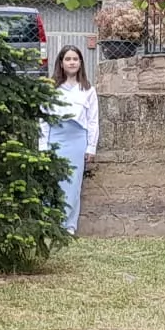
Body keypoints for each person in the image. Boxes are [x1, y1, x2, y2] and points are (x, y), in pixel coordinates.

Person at [46, 44, 99, 237]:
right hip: (56, 138)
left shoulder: (88, 90)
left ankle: (69, 225)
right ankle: (50, 222)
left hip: (77, 139)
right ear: (61, 63)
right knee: (54, 181)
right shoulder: (52, 89)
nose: (71, 62)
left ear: (81, 63)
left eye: (75, 59)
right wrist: (42, 146)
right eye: (67, 59)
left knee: (73, 183)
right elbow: (43, 119)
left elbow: (93, 121)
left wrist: (91, 147)